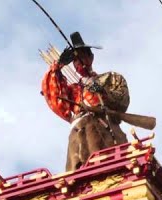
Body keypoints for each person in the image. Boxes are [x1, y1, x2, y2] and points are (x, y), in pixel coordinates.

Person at [41, 32, 131, 171]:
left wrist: (102, 92)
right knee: (76, 168)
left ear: (91, 57)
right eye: (75, 60)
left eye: (82, 56)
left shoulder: (110, 78)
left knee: (106, 162)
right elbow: (54, 97)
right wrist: (58, 66)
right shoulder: (73, 89)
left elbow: (122, 100)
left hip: (103, 126)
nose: (78, 62)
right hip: (78, 131)